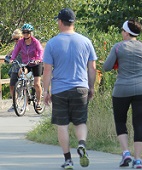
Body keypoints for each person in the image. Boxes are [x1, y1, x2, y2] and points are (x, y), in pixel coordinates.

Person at [43, 8, 97, 170]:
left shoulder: (52, 43)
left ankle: (68, 160)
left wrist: (46, 90)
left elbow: (47, 70)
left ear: (60, 22)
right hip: (81, 88)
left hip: (60, 90)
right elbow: (92, 67)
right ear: (74, 22)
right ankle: (81, 144)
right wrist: (91, 86)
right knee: (80, 121)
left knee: (63, 125)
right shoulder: (86, 41)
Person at [103, 19, 142, 169]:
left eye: (122, 31)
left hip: (122, 90)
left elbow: (106, 67)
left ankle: (126, 152)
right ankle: (138, 160)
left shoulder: (118, 47)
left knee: (120, 121)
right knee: (138, 124)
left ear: (126, 32)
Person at [11, 23, 44, 110]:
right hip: (27, 63)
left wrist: (39, 59)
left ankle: (38, 102)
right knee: (21, 73)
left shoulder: (35, 42)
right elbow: (15, 51)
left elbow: (40, 51)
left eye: (27, 32)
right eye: (24, 32)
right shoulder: (21, 42)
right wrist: (12, 58)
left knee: (37, 83)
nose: (25, 34)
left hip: (36, 63)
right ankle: (24, 87)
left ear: (30, 33)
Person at [6, 29, 23, 112]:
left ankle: (25, 104)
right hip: (15, 66)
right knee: (12, 85)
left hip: (24, 66)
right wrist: (8, 55)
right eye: (14, 39)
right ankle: (14, 104)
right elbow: (13, 51)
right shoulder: (16, 45)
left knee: (23, 85)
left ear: (21, 37)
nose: (15, 41)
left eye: (17, 38)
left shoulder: (25, 44)